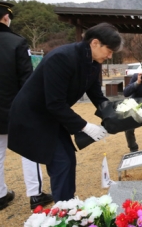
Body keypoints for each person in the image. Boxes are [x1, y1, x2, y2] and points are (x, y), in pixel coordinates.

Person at [7, 22, 123, 203]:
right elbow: (54, 103)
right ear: (94, 43)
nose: (110, 56)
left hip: (52, 116)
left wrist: (115, 115)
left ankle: (67, 205)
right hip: (33, 116)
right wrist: (85, 127)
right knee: (61, 162)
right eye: (109, 50)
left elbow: (97, 96)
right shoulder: (62, 58)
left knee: (67, 159)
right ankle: (64, 211)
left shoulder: (93, 62)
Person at [0, 1, 53, 210]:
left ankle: (1, 195)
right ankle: (35, 194)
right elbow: (26, 80)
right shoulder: (17, 43)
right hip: (13, 108)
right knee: (29, 151)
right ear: (6, 17)